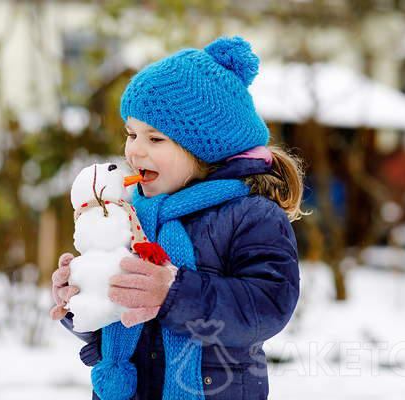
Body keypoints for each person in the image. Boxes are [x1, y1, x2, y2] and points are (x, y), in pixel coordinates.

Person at [50, 35, 306, 400]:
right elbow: (120, 320)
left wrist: (175, 293)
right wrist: (81, 298)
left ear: (204, 149)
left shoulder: (249, 215)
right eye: (131, 133)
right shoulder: (130, 214)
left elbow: (267, 305)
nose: (134, 150)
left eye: (155, 139)